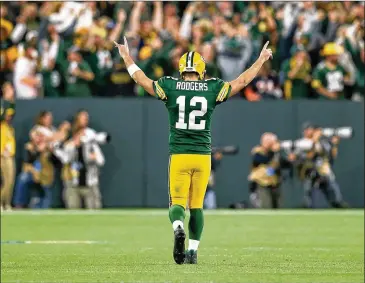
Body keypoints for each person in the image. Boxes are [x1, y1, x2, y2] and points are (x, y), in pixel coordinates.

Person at [114, 37, 272, 264]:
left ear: (181, 70)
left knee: (177, 204)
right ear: (201, 70)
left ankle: (178, 227)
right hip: (202, 156)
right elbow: (242, 81)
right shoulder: (212, 87)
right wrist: (260, 59)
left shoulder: (170, 85)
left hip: (180, 154)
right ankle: (193, 251)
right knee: (197, 206)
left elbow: (141, 79)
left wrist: (126, 55)